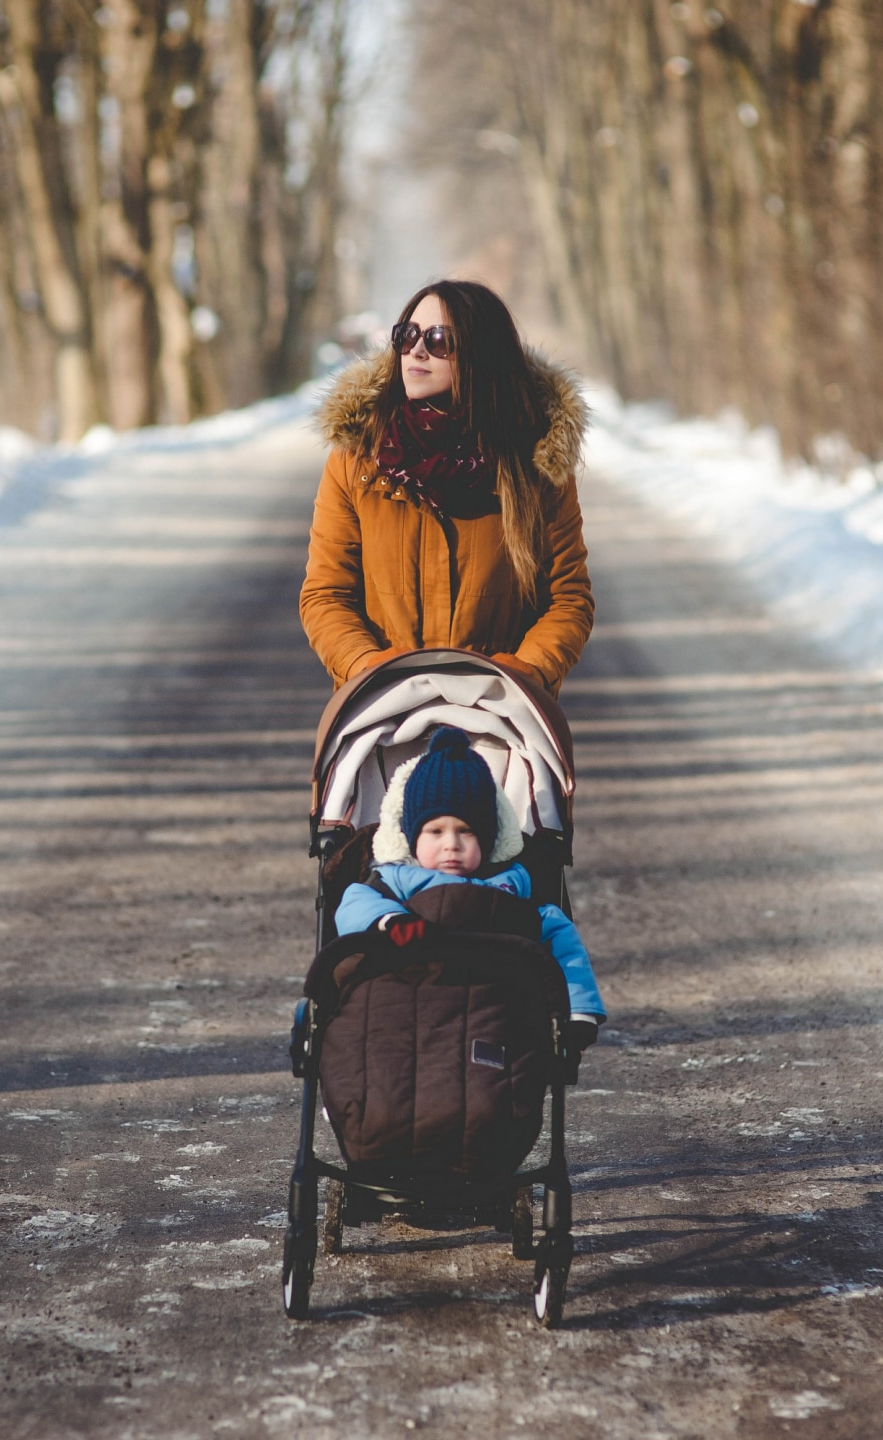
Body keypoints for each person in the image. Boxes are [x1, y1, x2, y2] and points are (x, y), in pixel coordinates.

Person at [301, 279, 593, 696]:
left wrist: (521, 675)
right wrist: (368, 668)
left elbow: (568, 600)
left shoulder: (534, 465)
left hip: (499, 719)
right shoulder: (358, 459)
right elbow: (326, 595)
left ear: (482, 355)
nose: (417, 351)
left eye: (440, 340)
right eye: (407, 335)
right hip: (384, 714)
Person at [334, 727, 606, 1031]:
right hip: (407, 997)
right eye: (435, 832)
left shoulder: (511, 885)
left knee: (555, 928)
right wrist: (390, 921)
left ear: (488, 839)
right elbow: (353, 905)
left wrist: (579, 1009)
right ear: (411, 836)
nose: (451, 844)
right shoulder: (394, 880)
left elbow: (563, 944)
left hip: (495, 1009)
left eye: (466, 831)